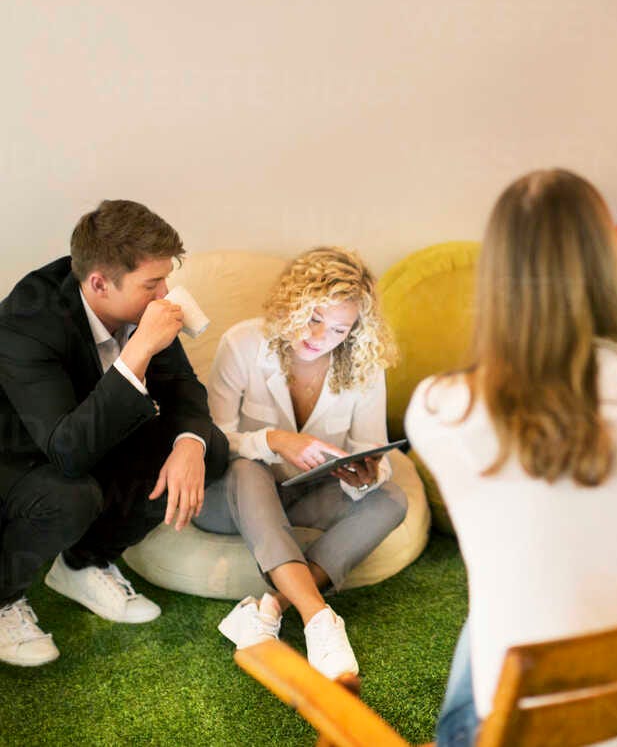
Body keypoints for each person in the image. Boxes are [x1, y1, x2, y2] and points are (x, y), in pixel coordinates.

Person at [406, 169, 617, 747]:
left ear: (496, 276)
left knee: (490, 609)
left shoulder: (438, 410)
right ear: (608, 264)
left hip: (527, 728)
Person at [0, 200, 229, 667]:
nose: (165, 295)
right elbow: (67, 453)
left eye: (166, 279)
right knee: (71, 495)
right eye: (152, 284)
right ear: (99, 284)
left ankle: (82, 563)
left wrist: (189, 444)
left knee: (209, 448)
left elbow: (182, 386)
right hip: (19, 457)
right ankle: (4, 598)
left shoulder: (138, 305)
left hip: (90, 437)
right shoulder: (26, 323)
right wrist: (140, 348)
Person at [194, 247, 408, 680]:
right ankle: (319, 620)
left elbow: (372, 447)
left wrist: (365, 478)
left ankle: (270, 607)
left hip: (303, 496)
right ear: (293, 304)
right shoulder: (243, 343)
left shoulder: (363, 365)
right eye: (313, 318)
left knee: (391, 499)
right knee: (247, 468)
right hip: (231, 499)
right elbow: (211, 440)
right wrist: (273, 440)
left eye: (338, 329)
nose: (320, 337)